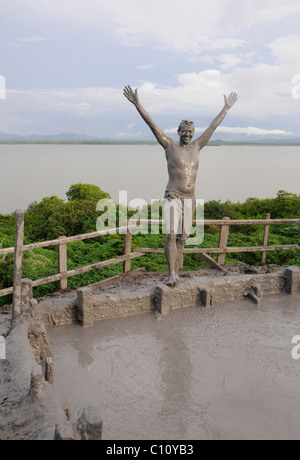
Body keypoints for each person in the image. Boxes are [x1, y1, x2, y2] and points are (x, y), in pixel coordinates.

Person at [123, 85, 238, 286]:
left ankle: (177, 270)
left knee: (183, 238)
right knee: (171, 234)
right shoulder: (169, 146)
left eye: (190, 131)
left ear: (193, 133)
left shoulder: (197, 146)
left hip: (190, 199)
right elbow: (153, 125)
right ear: (178, 131)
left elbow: (212, 127)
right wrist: (137, 103)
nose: (187, 134)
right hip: (173, 195)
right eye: (184, 130)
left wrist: (226, 108)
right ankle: (171, 274)